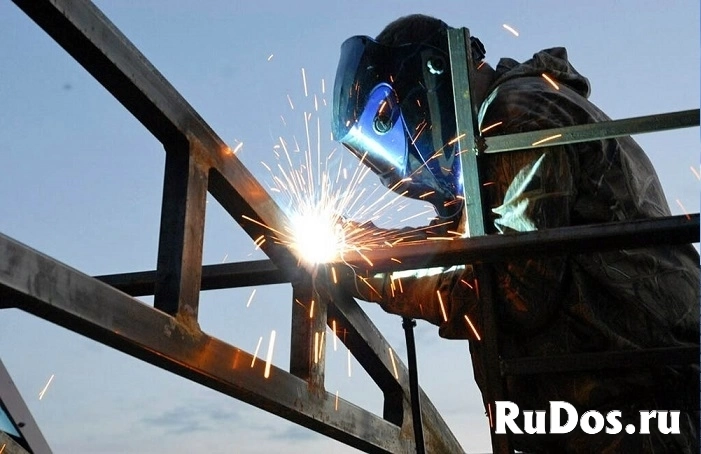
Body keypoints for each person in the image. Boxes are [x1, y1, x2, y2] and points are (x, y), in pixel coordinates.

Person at [331, 14, 699, 453]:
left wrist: (366, 266)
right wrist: (370, 244)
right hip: (622, 405)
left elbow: (513, 292)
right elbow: (471, 243)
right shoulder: (507, 120)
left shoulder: (518, 117)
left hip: (647, 410)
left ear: (427, 85)